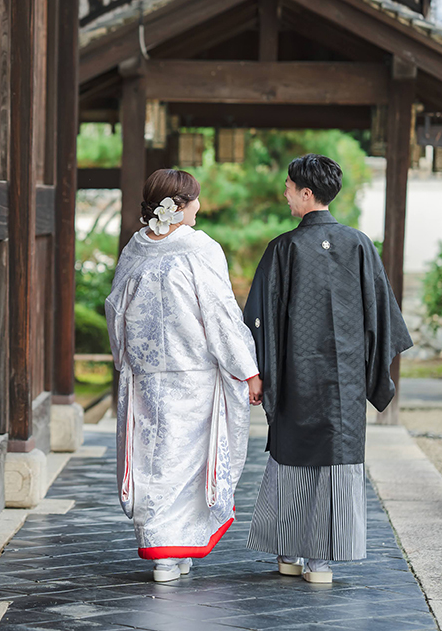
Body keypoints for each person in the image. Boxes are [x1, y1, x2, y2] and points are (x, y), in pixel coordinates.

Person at [244, 153, 412, 584]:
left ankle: (289, 553)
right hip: (346, 381)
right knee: (335, 460)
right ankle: (322, 562)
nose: (284, 193)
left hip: (294, 374)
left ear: (306, 193)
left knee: (292, 456)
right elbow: (382, 316)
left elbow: (258, 317)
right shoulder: (359, 244)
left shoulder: (284, 248)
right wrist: (374, 373)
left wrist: (260, 371)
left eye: (288, 187)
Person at [105, 168, 263, 583]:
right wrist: (247, 370)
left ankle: (164, 551)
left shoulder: (135, 248)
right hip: (192, 375)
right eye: (194, 200)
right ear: (178, 205)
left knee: (152, 459)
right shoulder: (199, 248)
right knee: (188, 464)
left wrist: (125, 360)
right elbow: (221, 314)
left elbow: (115, 310)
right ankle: (174, 550)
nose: (200, 207)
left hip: (146, 377)